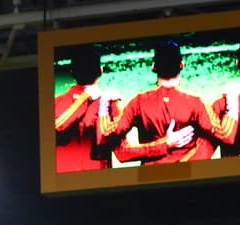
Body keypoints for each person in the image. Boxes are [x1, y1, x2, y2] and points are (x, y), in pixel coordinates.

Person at [96, 40, 232, 165]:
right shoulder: (196, 103)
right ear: (181, 65)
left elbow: (116, 148)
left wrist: (104, 107)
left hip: (150, 180)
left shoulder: (138, 103)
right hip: (188, 177)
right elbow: (225, 136)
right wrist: (229, 103)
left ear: (154, 67)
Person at [53, 48, 113, 172]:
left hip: (62, 179)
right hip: (98, 179)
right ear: (100, 71)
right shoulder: (109, 102)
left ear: (71, 71)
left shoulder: (55, 103)